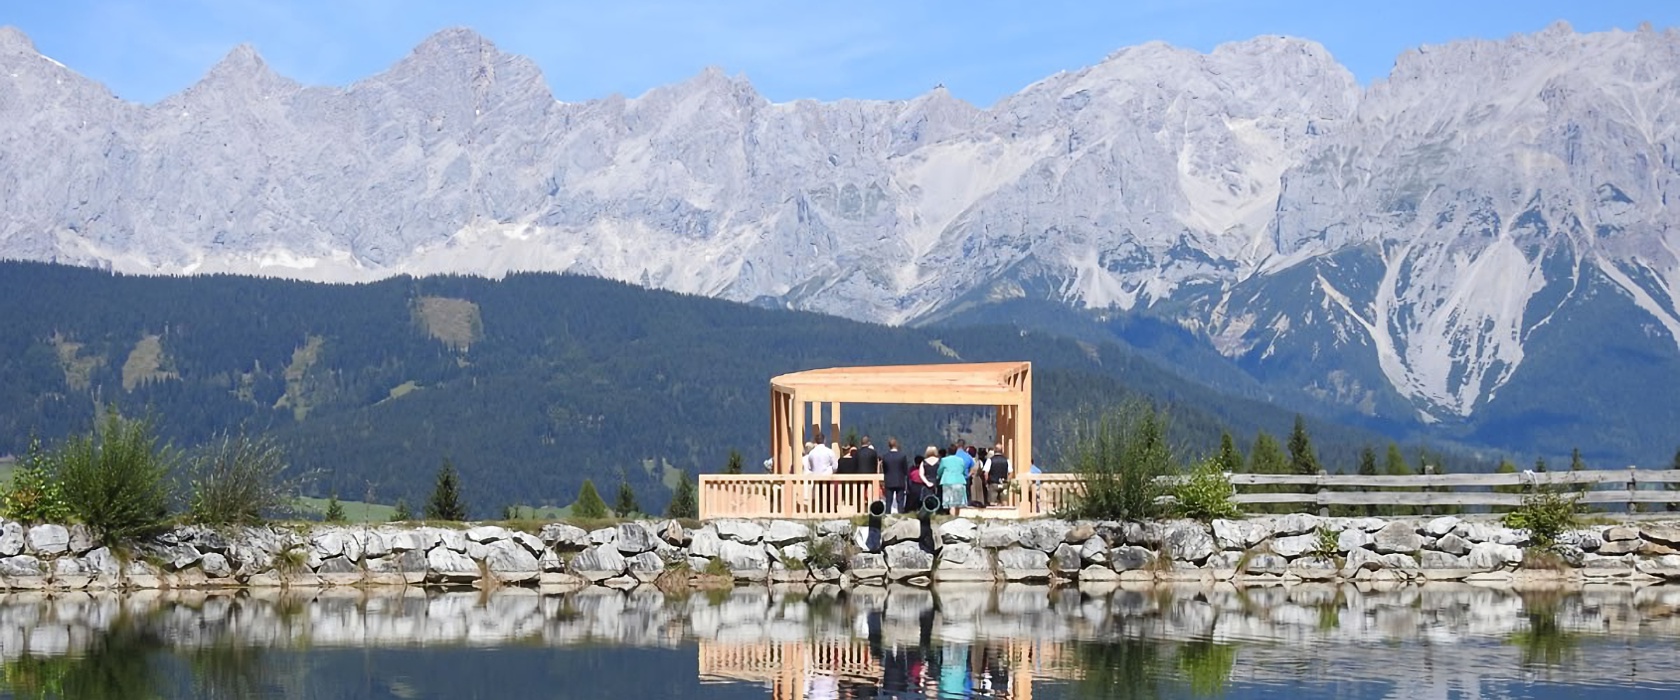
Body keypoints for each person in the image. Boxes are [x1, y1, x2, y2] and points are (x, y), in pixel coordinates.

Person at [880, 437, 910, 514]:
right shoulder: (902, 456)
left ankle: (887, 515)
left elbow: (884, 469)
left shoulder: (885, 457)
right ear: (896, 445)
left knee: (888, 501)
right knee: (900, 500)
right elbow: (905, 469)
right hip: (900, 480)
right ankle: (900, 513)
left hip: (889, 480)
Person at [938, 444, 968, 515]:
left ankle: (952, 517)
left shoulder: (944, 460)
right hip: (959, 481)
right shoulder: (961, 460)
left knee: (950, 502)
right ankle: (957, 516)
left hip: (947, 481)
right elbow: (963, 471)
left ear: (948, 451)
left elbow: (940, 471)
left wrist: (939, 476)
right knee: (958, 502)